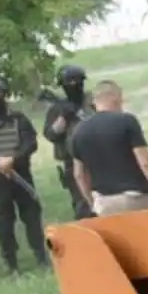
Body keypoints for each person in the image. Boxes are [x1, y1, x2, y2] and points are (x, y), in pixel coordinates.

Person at [0, 77, 47, 273]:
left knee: (31, 217)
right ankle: (11, 263)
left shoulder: (18, 119)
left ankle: (40, 255)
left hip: (20, 174)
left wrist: (13, 159)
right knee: (4, 222)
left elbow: (30, 142)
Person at [69, 80, 148, 216]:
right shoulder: (127, 121)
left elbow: (79, 175)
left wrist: (91, 203)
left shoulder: (78, 131)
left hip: (104, 204)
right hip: (136, 199)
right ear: (115, 98)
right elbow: (146, 162)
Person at [43, 63, 93, 220]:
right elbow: (51, 135)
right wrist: (63, 118)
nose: (74, 85)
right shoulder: (57, 109)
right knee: (83, 206)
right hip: (72, 162)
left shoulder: (92, 101)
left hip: (100, 158)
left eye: (77, 81)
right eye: (69, 82)